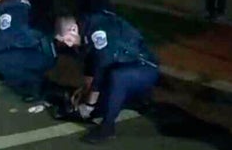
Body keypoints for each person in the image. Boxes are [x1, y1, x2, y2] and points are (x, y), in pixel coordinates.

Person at [54, 10, 159, 144]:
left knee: (117, 77)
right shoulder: (86, 29)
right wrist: (84, 91)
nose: (68, 44)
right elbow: (92, 65)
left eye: (68, 39)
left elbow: (101, 68)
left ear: (73, 28)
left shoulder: (98, 31)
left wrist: (88, 105)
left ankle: (107, 127)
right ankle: (137, 100)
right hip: (128, 67)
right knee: (103, 99)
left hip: (145, 69)